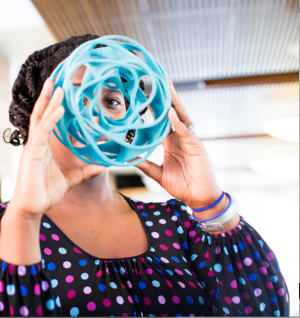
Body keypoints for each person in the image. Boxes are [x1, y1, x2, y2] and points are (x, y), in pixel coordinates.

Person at [0, 34, 289, 317]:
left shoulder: (176, 224)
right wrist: (24, 218)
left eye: (112, 100)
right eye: (79, 96)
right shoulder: (6, 225)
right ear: (35, 116)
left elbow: (267, 310)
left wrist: (209, 202)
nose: (98, 114)